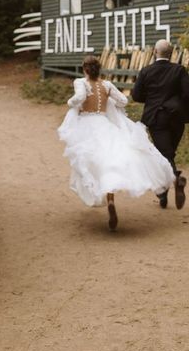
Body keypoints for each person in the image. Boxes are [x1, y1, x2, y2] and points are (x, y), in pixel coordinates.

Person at [58, 55, 175, 231]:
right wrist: (110, 102)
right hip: (104, 124)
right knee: (108, 162)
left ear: (85, 69)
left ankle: (104, 198)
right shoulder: (107, 84)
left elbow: (80, 97)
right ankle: (110, 200)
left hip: (87, 126)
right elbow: (124, 100)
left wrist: (70, 102)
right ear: (99, 69)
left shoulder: (80, 82)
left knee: (91, 162)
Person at [132, 39, 189, 210]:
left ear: (154, 52)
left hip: (156, 118)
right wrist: (178, 104)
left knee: (164, 155)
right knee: (169, 154)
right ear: (171, 53)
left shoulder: (146, 71)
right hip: (176, 118)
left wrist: (153, 99)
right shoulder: (179, 70)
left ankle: (174, 180)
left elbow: (136, 95)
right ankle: (163, 195)